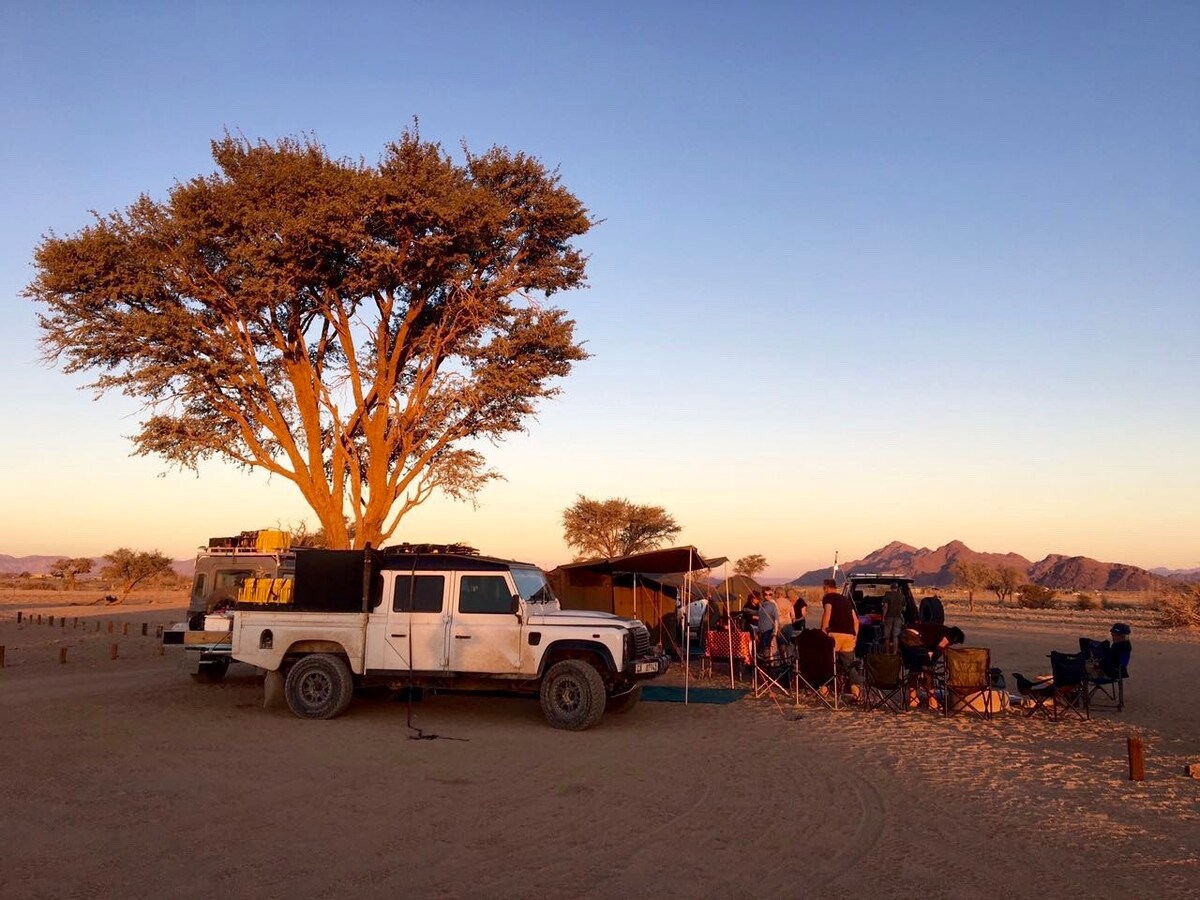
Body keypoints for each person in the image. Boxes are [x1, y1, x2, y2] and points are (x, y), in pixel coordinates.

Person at [899, 623, 965, 708]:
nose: (951, 644)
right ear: (956, 637)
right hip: (913, 636)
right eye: (955, 642)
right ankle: (932, 701)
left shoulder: (937, 630)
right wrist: (932, 663)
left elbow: (931, 650)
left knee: (914, 667)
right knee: (927, 669)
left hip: (904, 634)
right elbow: (938, 650)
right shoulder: (949, 635)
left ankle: (913, 699)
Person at [820, 578, 862, 700]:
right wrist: (855, 635)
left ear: (826, 587)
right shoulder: (846, 599)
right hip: (849, 635)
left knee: (827, 661)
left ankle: (824, 689)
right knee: (850, 664)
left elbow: (827, 614)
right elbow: (856, 621)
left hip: (834, 634)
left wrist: (823, 632)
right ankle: (856, 692)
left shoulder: (828, 598)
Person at [882, 582, 907, 654]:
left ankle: (887, 653)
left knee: (887, 637)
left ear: (891, 587)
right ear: (897, 588)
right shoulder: (902, 596)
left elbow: (885, 607)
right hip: (898, 618)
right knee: (895, 636)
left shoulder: (887, 595)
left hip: (889, 617)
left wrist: (883, 617)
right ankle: (894, 653)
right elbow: (904, 608)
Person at [757, 589, 780, 658]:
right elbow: (760, 614)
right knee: (763, 647)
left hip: (769, 629)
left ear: (772, 595)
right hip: (761, 629)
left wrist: (775, 631)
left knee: (767, 646)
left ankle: (767, 663)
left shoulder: (773, 605)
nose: (767, 596)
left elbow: (776, 618)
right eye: (765, 594)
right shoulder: (762, 604)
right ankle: (766, 661)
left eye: (770, 594)